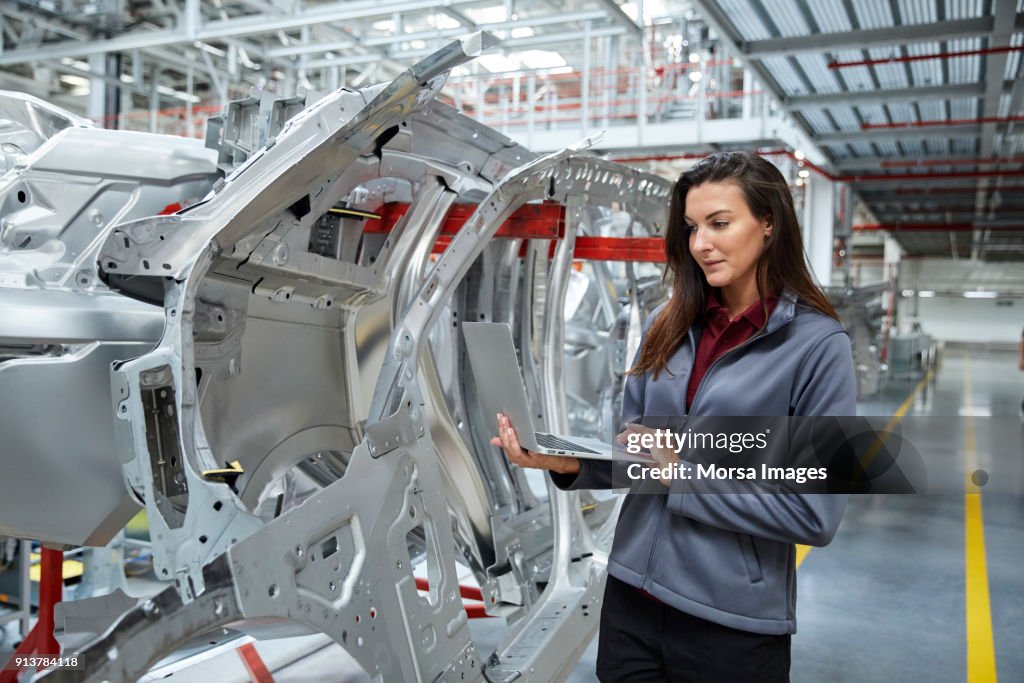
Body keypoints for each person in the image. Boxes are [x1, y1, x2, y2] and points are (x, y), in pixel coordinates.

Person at [491, 151, 856, 682]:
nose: (701, 243)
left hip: (729, 621)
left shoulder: (818, 347)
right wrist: (568, 463)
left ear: (770, 225)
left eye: (720, 223)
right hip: (633, 598)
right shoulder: (668, 325)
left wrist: (680, 474)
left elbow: (813, 515)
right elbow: (639, 462)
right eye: (691, 227)